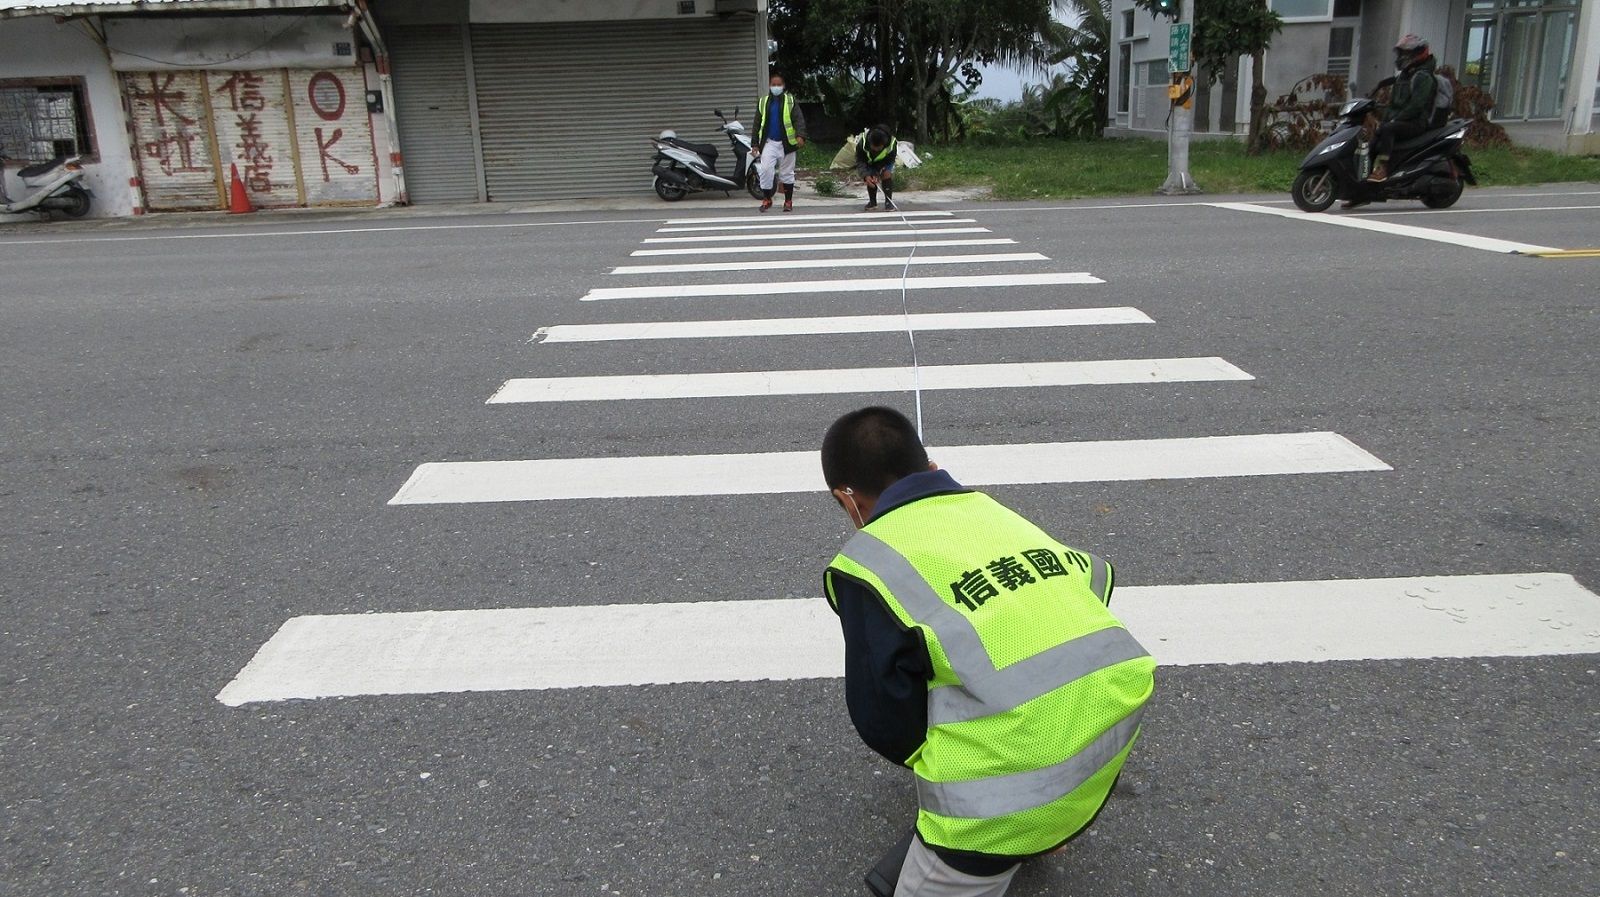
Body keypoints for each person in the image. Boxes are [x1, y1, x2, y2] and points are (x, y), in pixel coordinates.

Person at [819, 407, 1156, 897]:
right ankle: (1047, 830)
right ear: (930, 467)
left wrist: (944, 761)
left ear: (847, 499)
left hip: (1009, 789)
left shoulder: (868, 563)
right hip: (1109, 732)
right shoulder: (988, 511)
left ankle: (1017, 830)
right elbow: (1088, 585)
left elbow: (883, 718)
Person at [1367, 34, 1437, 183]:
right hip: (1402, 121)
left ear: (1418, 53)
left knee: (1387, 130)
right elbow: (1393, 103)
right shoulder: (1403, 76)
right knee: (1373, 139)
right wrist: (1384, 118)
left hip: (1416, 122)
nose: (1401, 57)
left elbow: (1416, 106)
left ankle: (1384, 169)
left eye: (1405, 53)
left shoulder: (1423, 77)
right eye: (1401, 53)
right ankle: (1365, 176)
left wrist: (1394, 119)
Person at [754, 72, 807, 212]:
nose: (776, 87)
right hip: (769, 143)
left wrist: (801, 135)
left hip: (787, 144)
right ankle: (767, 199)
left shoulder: (790, 101)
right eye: (773, 84)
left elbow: (799, 119)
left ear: (783, 86)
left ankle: (788, 201)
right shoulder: (763, 102)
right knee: (765, 170)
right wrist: (754, 144)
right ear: (769, 86)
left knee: (787, 173)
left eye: (779, 84)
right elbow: (757, 123)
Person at [856, 126, 899, 212]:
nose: (875, 149)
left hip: (885, 162)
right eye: (873, 147)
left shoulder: (892, 144)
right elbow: (860, 160)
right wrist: (866, 175)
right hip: (868, 162)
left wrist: (878, 172)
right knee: (870, 178)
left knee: (886, 174)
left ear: (884, 144)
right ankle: (872, 202)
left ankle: (888, 202)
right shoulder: (862, 143)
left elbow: (890, 160)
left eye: (878, 147)